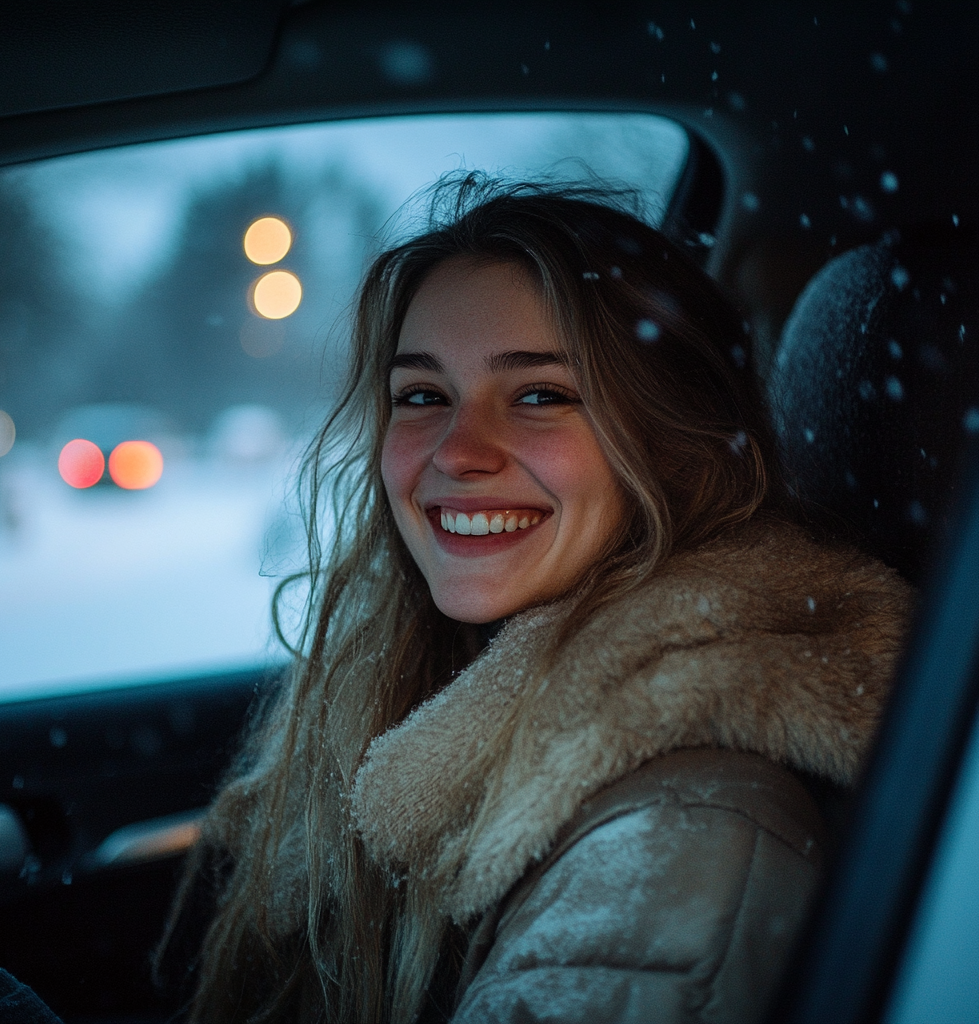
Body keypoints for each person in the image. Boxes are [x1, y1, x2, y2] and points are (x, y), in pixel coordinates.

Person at [160, 177, 911, 1023]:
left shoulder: (686, 832)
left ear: (680, 440)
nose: (459, 450)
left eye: (540, 395)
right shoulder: (397, 686)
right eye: (422, 396)